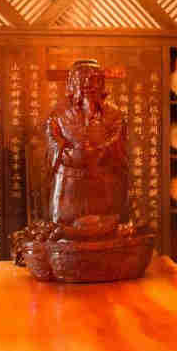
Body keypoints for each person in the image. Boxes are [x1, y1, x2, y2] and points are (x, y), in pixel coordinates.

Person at [43, 59, 128, 228]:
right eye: (81, 79)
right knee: (62, 227)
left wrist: (98, 152)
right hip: (69, 183)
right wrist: (71, 155)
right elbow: (53, 140)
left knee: (106, 228)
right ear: (71, 84)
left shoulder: (114, 114)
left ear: (102, 84)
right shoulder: (58, 114)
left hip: (103, 182)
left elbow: (117, 141)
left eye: (94, 80)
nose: (88, 84)